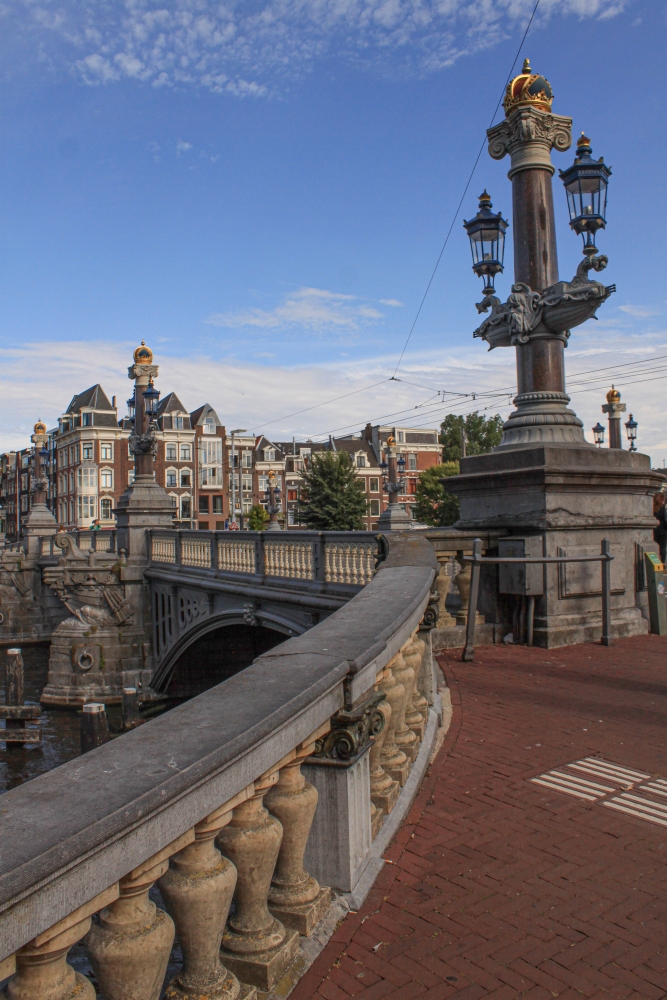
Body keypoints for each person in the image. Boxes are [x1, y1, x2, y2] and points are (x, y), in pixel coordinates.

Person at [653, 490, 667, 564]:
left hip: (654, 530)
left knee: (656, 546)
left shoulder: (652, 507)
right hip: (663, 530)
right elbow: (665, 519)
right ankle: (663, 563)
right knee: (663, 548)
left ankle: (656, 562)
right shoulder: (663, 507)